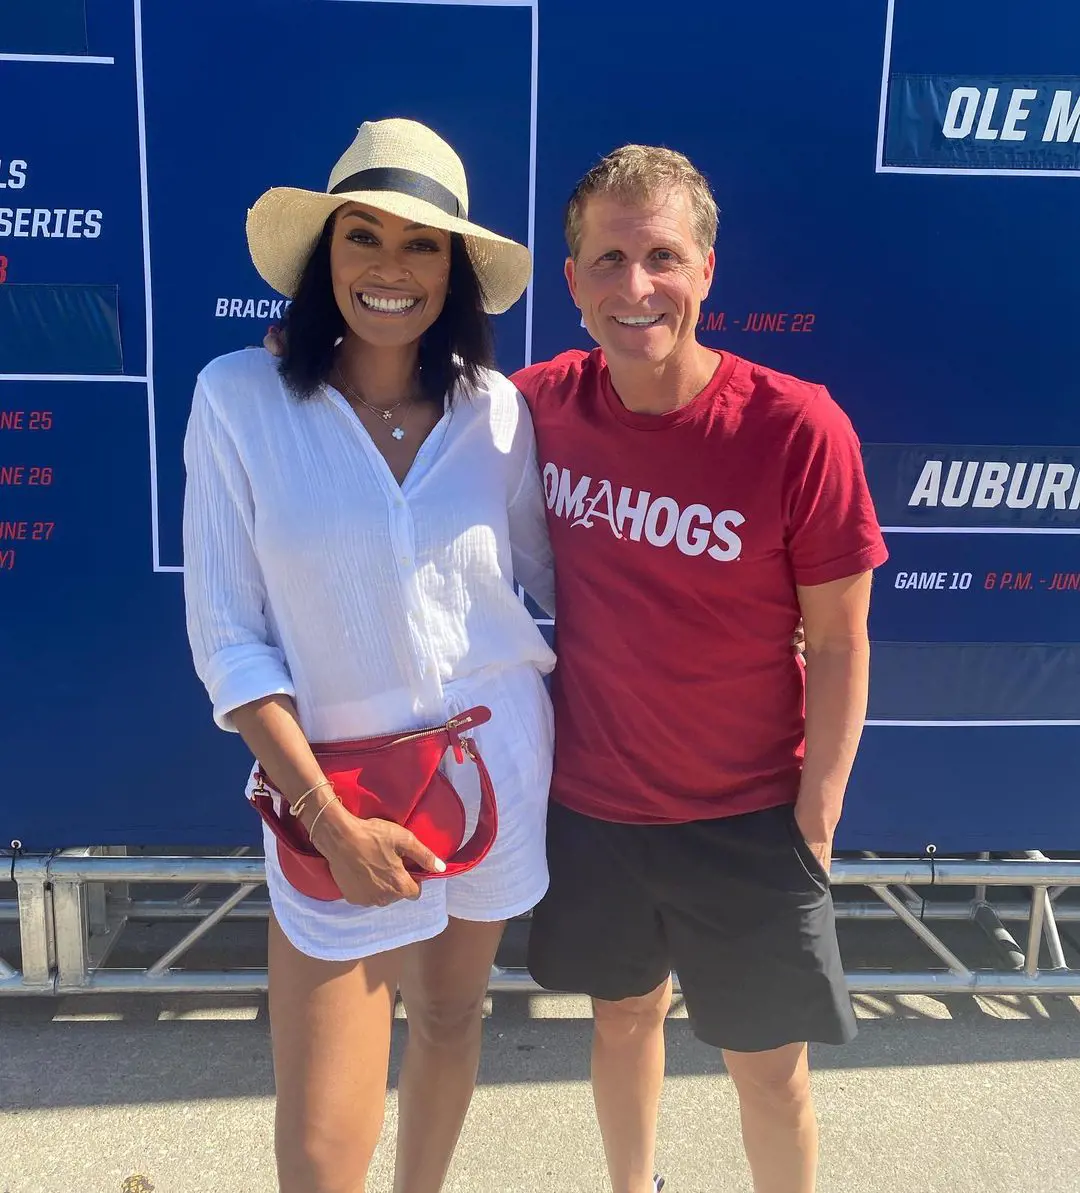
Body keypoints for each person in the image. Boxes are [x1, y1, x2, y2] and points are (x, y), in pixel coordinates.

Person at [182, 118, 557, 1193]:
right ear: (323, 253)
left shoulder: (496, 413)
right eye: (364, 237)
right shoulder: (239, 400)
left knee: (449, 1017)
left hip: (492, 778)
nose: (391, 268)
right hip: (332, 797)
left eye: (422, 244)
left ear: (454, 271)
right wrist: (326, 820)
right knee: (316, 1152)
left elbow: (556, 577)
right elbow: (227, 635)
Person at [511, 145, 888, 1193]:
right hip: (596, 804)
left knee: (770, 1073)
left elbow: (844, 640)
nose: (638, 287)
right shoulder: (533, 409)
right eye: (611, 258)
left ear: (707, 271)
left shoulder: (796, 427)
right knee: (624, 1018)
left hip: (751, 813)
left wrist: (815, 817)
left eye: (663, 255)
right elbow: (398, 416)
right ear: (573, 278)